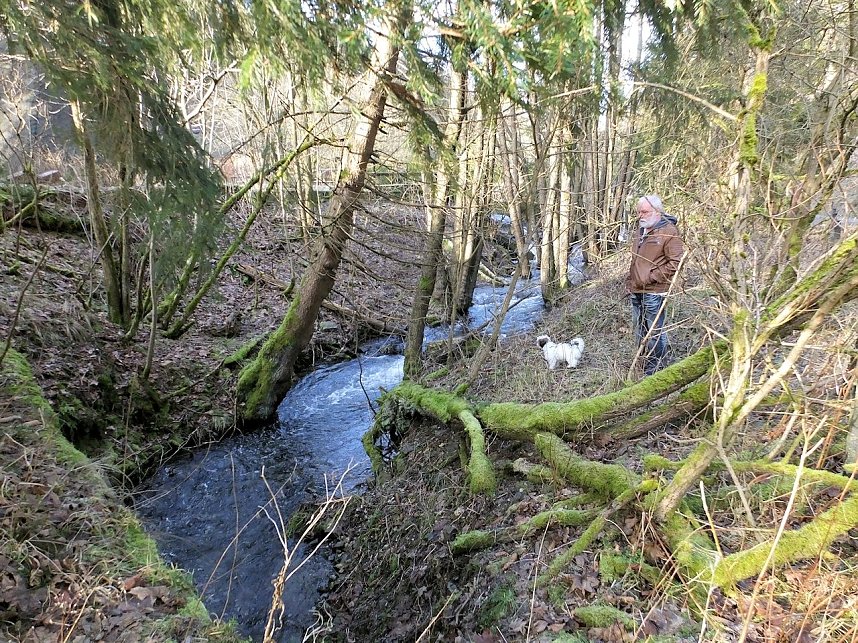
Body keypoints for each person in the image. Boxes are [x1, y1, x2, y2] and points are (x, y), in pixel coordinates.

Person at [625, 195, 685, 375]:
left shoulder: (669, 231)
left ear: (657, 212)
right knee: (640, 330)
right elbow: (636, 260)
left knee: (654, 331)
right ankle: (643, 362)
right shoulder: (641, 229)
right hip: (637, 289)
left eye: (644, 211)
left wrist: (651, 277)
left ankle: (655, 369)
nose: (640, 215)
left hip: (654, 291)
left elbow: (676, 262)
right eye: (638, 212)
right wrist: (631, 281)